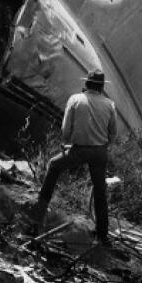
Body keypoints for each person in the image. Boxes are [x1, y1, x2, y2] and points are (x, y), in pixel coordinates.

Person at [33, 69, 117, 245]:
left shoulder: (75, 99)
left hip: (78, 149)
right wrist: (101, 145)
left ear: (86, 84)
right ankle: (103, 234)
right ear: (101, 87)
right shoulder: (110, 104)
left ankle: (38, 216)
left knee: (53, 166)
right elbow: (113, 134)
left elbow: (65, 130)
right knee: (100, 190)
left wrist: (66, 143)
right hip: (99, 152)